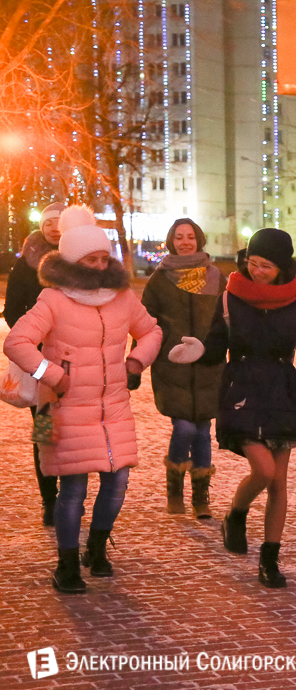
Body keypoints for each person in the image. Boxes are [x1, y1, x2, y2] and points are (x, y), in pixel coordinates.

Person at [168, 228, 296, 588]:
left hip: (282, 393)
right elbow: (215, 345)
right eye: (252, 262)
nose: (257, 271)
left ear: (283, 267)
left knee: (279, 482)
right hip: (242, 388)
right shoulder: (230, 298)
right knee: (263, 470)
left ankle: (270, 558)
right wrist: (199, 353)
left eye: (266, 265)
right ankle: (236, 515)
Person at [3, 206, 163, 593]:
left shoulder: (122, 298)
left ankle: (96, 547)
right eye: (91, 259)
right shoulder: (53, 300)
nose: (100, 264)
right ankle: (67, 564)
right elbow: (17, 342)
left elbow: (152, 331)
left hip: (113, 408)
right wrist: (53, 375)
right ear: (74, 262)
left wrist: (136, 361)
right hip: (62, 408)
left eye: (104, 257)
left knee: (118, 481)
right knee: (71, 488)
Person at [141, 218, 226, 518]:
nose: (185, 241)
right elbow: (145, 322)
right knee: (185, 426)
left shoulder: (216, 277)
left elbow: (226, 320)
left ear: (199, 239)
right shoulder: (159, 280)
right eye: (179, 237)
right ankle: (174, 487)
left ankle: (201, 497)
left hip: (208, 365)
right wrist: (148, 354)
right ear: (171, 241)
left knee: (203, 430)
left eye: (190, 236)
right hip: (172, 365)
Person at [4, 202, 65, 526]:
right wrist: (35, 340)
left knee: (73, 432)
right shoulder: (26, 264)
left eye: (60, 221)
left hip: (74, 362)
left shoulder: (79, 260)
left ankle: (70, 497)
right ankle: (49, 500)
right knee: (44, 431)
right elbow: (13, 310)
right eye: (49, 221)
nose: (54, 226)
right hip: (40, 365)